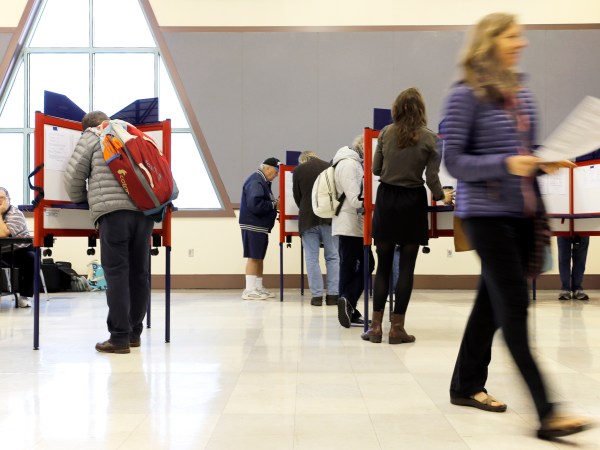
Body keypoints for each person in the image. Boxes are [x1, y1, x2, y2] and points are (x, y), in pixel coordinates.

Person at [442, 12, 591, 439]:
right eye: (512, 36)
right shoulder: (464, 95)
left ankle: (465, 385)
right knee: (514, 308)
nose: (521, 43)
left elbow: (523, 154)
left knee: (490, 304)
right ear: (489, 42)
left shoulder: (520, 94)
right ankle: (548, 413)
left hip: (523, 212)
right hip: (486, 215)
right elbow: (454, 163)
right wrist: (508, 163)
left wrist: (542, 163)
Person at [65, 111, 162, 354]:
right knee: (140, 273)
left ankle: (118, 337)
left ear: (86, 126)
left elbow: (74, 175)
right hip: (144, 212)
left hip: (113, 213)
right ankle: (134, 334)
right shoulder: (131, 131)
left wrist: (81, 200)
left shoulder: (91, 136)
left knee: (117, 273)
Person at [362, 88, 453, 344]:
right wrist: (440, 196)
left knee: (383, 267)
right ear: (421, 110)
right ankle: (397, 328)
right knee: (406, 269)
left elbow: (376, 168)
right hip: (413, 202)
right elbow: (432, 178)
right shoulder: (431, 138)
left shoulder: (385, 133)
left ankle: (375, 328)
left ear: (396, 108)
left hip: (387, 200)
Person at [333, 135, 374, 328]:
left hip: (347, 223)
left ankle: (349, 307)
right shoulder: (350, 165)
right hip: (350, 223)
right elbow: (355, 198)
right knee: (366, 264)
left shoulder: (344, 163)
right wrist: (370, 203)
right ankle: (347, 299)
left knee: (347, 267)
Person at [292, 151, 340, 306]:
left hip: (307, 219)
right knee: (333, 257)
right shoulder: (330, 167)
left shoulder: (299, 170)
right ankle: (333, 295)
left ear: (302, 160)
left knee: (311, 259)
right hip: (328, 217)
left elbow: (297, 196)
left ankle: (317, 297)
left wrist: (306, 208)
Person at [239, 157, 280, 300]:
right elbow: (255, 204)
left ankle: (257, 287)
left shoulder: (263, 181)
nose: (276, 176)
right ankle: (249, 290)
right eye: (275, 172)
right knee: (254, 257)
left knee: (259, 257)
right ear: (267, 168)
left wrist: (273, 203)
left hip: (259, 226)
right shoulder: (256, 181)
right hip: (253, 225)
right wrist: (274, 205)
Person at [0, 187, 34, 307]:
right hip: (2, 252)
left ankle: (24, 296)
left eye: (2, 198)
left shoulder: (15, 214)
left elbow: (3, 234)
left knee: (31, 258)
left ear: (9, 199)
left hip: (19, 250)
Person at [557, 235, 590, 300]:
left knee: (580, 259)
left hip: (583, 229)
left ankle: (577, 288)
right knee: (564, 258)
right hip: (563, 229)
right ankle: (565, 288)